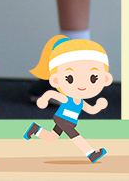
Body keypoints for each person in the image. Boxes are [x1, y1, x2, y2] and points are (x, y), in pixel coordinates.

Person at [23, 35, 111, 163]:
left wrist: (99, 106)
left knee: (52, 137)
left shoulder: (80, 101)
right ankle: (91, 154)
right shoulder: (67, 98)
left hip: (70, 120)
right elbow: (51, 94)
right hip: (63, 119)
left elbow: (91, 110)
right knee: (76, 137)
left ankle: (35, 130)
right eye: (70, 78)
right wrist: (43, 99)